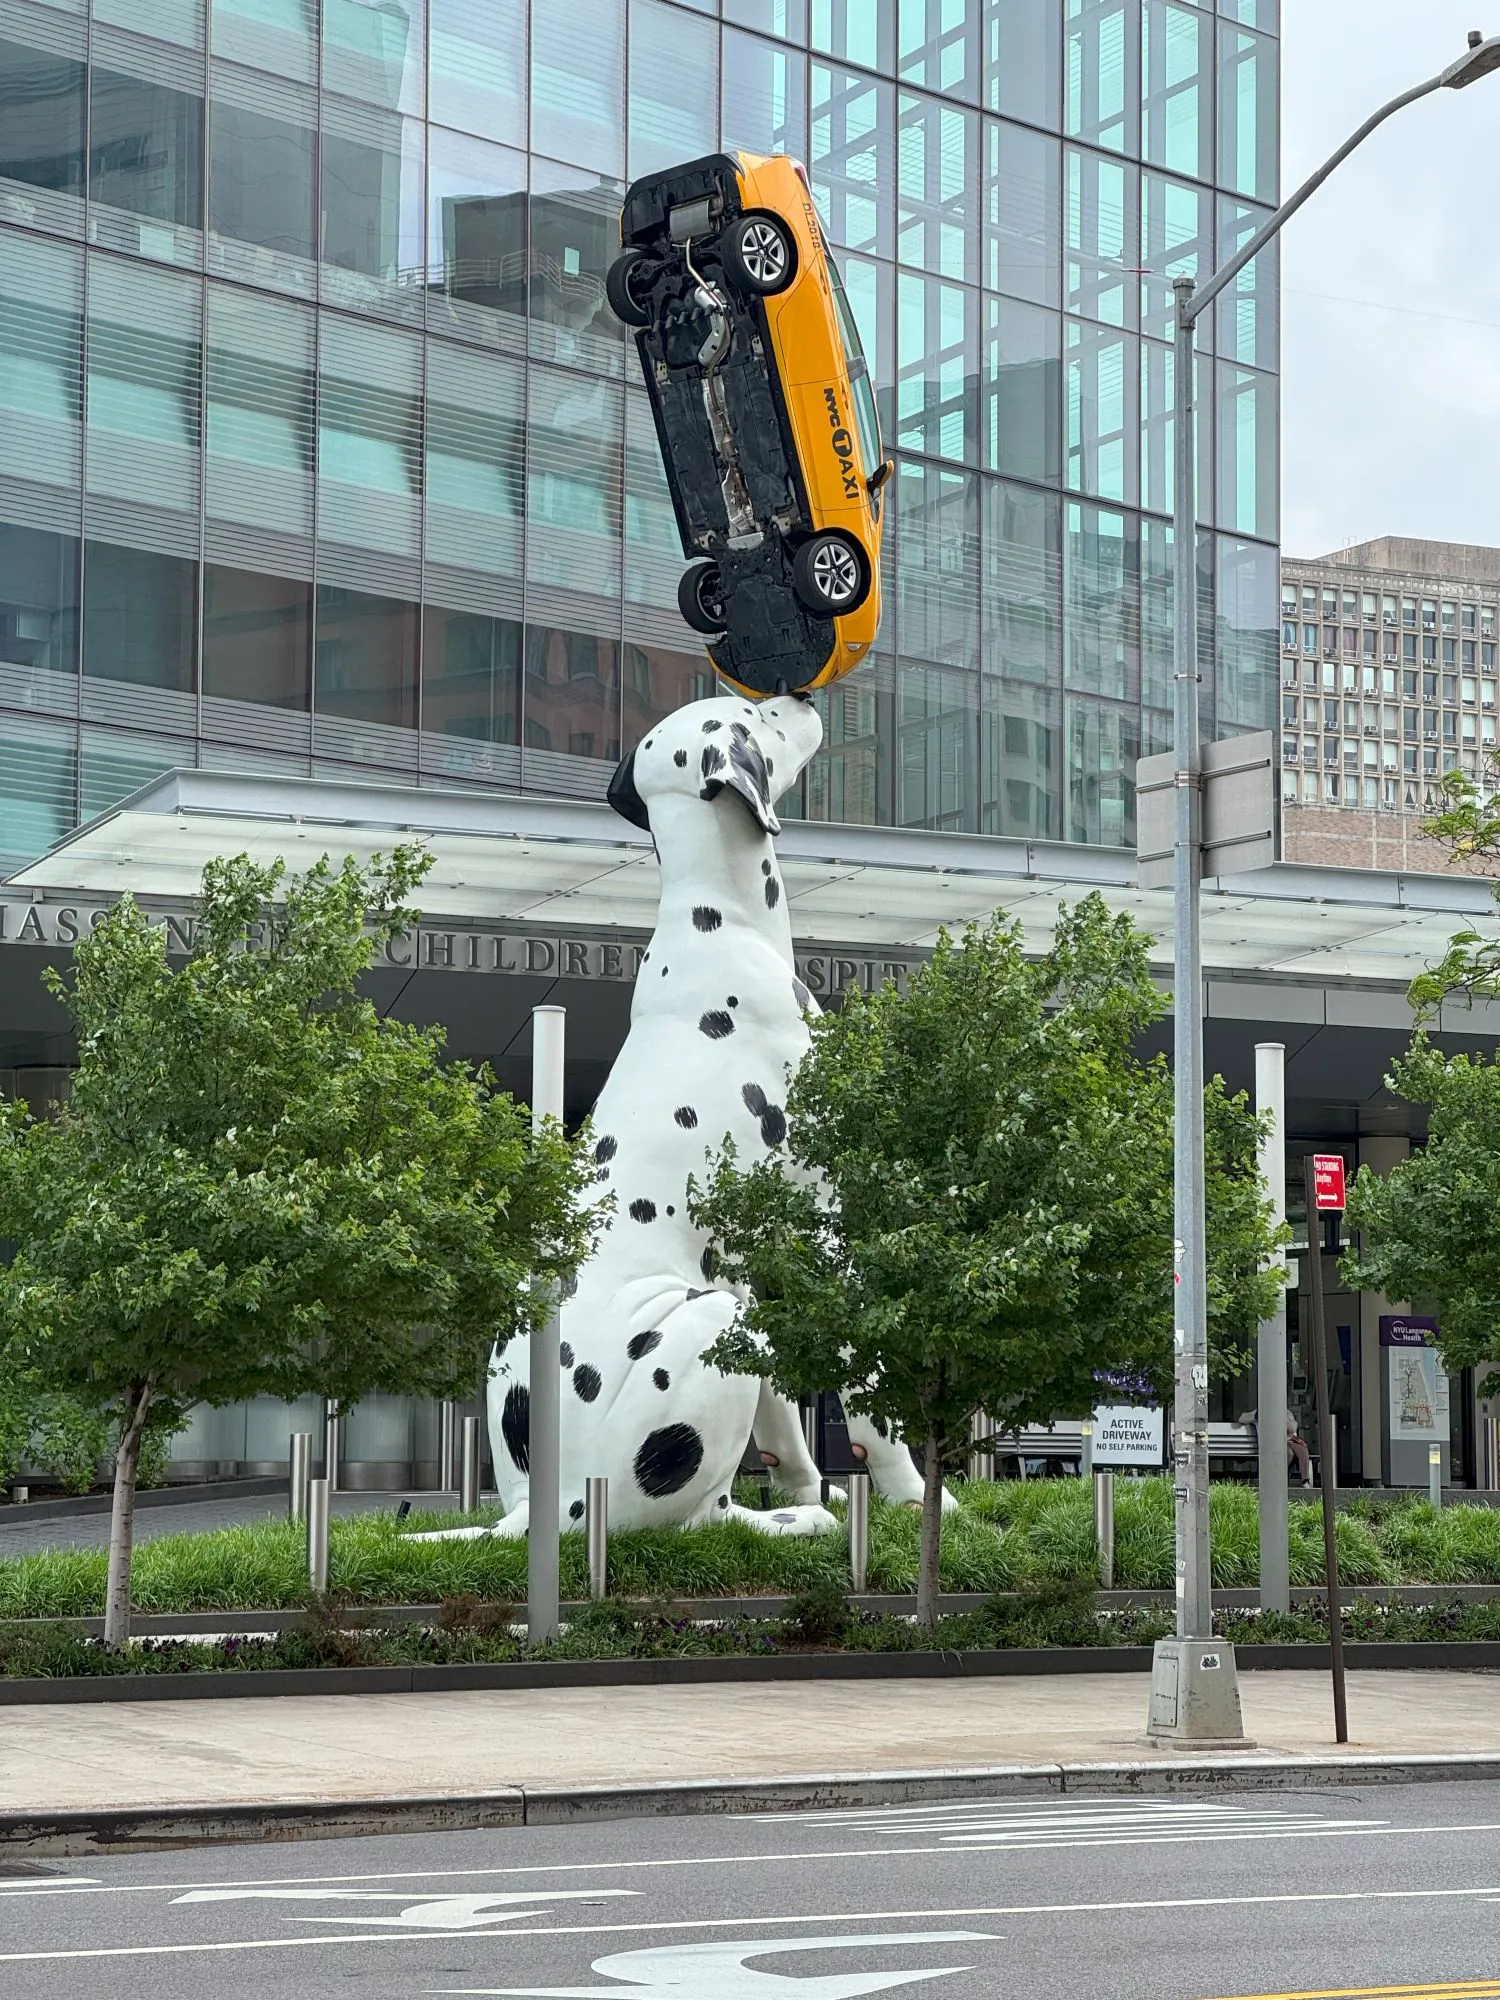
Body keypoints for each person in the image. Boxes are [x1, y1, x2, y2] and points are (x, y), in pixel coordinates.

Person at [1244, 1405, 1314, 1488]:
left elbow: (1293, 1429)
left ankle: (1305, 1480)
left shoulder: (1286, 1412)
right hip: (1273, 1443)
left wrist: (1284, 1419)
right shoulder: (1261, 1412)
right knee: (1289, 1454)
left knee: (1303, 1450)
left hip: (1289, 1440)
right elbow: (1242, 1418)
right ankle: (1280, 1481)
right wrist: (1255, 1415)